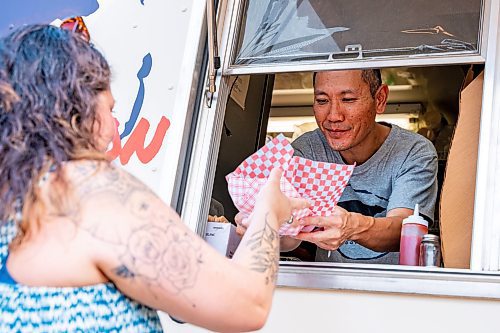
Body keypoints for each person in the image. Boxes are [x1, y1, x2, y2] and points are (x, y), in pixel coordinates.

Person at [0, 24, 310, 332]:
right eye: (110, 109)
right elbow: (247, 305)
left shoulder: (14, 193)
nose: (115, 127)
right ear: (77, 106)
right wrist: (269, 210)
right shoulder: (95, 190)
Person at [237, 69, 438, 265]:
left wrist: (352, 227)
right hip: (328, 289)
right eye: (322, 101)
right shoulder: (306, 152)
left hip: (397, 290)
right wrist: (264, 226)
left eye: (348, 100)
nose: (333, 116)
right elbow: (291, 237)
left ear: (380, 99)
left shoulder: (412, 151)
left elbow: (404, 230)